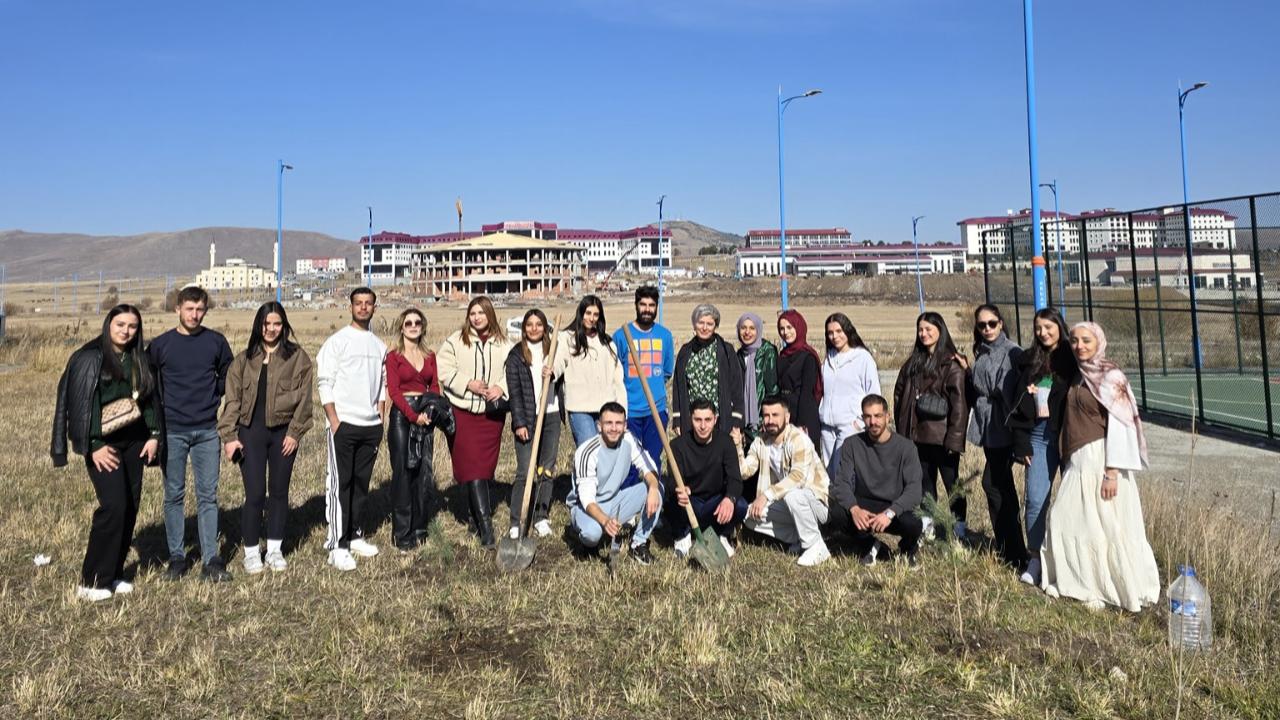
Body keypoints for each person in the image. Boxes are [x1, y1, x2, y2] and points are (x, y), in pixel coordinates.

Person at [1040, 322, 1159, 612]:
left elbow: (1121, 426)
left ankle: (1106, 587)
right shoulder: (1080, 376)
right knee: (1068, 520)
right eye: (1075, 340)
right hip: (1079, 462)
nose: (1080, 346)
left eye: (1086, 341)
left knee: (1105, 526)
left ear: (1099, 343)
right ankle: (1084, 583)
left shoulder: (1110, 375)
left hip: (1101, 462)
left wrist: (1112, 472)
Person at [51, 305, 163, 601]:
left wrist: (153, 435)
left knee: (130, 506)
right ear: (108, 325)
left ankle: (113, 574)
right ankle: (91, 581)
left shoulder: (139, 358)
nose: (126, 331)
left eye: (133, 326)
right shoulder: (90, 358)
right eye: (120, 325)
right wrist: (94, 445)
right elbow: (78, 407)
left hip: (135, 442)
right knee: (113, 506)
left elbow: (150, 400)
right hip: (104, 445)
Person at [218, 302, 314, 574]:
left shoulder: (298, 358)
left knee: (279, 493)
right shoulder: (243, 360)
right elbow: (232, 402)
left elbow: (305, 401)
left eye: (277, 324)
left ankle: (274, 550)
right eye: (266, 323)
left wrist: (295, 433)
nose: (271, 329)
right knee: (255, 493)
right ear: (258, 325)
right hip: (251, 433)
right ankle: (251, 553)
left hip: (283, 434)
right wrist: (229, 437)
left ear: (284, 326)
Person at [148, 286, 234, 582]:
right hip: (172, 432)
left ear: (205, 311)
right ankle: (177, 557)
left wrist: (214, 394)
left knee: (208, 496)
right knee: (173, 495)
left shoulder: (216, 342)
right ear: (177, 309)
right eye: (189, 309)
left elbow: (229, 375)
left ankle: (211, 558)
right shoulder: (160, 346)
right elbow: (148, 384)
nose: (195, 315)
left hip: (207, 430)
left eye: (200, 309)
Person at [317, 287, 388, 571]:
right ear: (350, 307)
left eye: (368, 304)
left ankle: (355, 534)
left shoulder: (379, 345)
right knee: (339, 484)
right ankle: (337, 544)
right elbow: (325, 382)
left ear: (374, 307)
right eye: (358, 303)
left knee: (361, 484)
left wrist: (380, 416)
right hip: (343, 425)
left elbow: (382, 384)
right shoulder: (337, 342)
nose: (363, 308)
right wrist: (334, 421)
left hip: (370, 426)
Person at [1006, 308, 1077, 586]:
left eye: (1048, 327)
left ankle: (1069, 559)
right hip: (1037, 436)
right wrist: (1020, 442)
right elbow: (1017, 404)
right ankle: (1035, 558)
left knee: (1073, 501)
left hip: (1069, 436)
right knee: (1035, 499)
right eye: (1038, 328)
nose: (1043, 333)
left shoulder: (1073, 359)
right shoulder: (1027, 361)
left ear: (1060, 326)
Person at [437, 295, 510, 548]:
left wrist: (500, 388)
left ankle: (472, 520)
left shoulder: (504, 344)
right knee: (473, 469)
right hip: (464, 412)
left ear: (490, 314)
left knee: (483, 470)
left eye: (481, 313)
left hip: (491, 416)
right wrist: (467, 383)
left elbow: (513, 372)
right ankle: (486, 528)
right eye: (472, 313)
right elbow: (443, 369)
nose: (476, 317)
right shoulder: (456, 341)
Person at [958, 304, 1025, 567]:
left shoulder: (1012, 352)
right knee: (999, 486)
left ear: (1001, 323)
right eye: (982, 325)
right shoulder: (982, 352)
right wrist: (968, 370)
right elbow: (978, 387)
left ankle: (1014, 550)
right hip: (989, 428)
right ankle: (1008, 548)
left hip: (1004, 428)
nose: (987, 329)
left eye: (991, 324)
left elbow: (1014, 391)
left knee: (996, 485)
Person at [893, 311, 968, 542]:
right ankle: (928, 524)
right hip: (917, 436)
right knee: (924, 483)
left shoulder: (951, 364)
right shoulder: (913, 363)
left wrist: (954, 439)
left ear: (940, 330)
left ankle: (959, 528)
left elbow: (960, 406)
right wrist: (903, 429)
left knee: (952, 484)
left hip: (942, 437)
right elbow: (898, 394)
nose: (924, 334)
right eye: (920, 330)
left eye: (929, 329)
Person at [732, 395, 832, 567]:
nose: (770, 421)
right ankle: (800, 538)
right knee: (749, 515)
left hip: (817, 503)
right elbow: (745, 472)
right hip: (788, 502)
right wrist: (738, 447)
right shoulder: (761, 442)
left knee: (793, 495)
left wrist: (765, 496)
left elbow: (798, 477)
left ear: (787, 417)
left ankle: (815, 545)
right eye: (766, 415)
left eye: (775, 415)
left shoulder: (798, 438)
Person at [827, 394, 924, 566]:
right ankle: (870, 544)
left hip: (894, 506)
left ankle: (907, 549)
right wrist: (854, 509)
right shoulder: (852, 444)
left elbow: (914, 489)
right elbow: (841, 483)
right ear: (863, 418)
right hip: (865, 506)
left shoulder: (906, 447)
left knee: (914, 523)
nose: (873, 422)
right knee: (837, 513)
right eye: (868, 416)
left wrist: (890, 513)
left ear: (888, 417)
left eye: (878, 416)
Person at [385, 308, 453, 552]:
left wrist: (430, 412)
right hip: (402, 417)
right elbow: (393, 391)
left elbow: (434, 385)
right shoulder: (394, 356)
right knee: (403, 473)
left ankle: (420, 528)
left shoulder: (430, 355)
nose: (413, 326)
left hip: (425, 414)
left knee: (423, 473)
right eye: (408, 323)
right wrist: (413, 416)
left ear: (422, 327)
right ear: (401, 327)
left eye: (417, 322)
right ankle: (402, 534)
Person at [566, 402, 662, 565]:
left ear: (625, 425)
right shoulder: (586, 452)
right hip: (586, 507)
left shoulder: (629, 440)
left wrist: (653, 487)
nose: (614, 428)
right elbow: (587, 499)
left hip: (614, 500)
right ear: (599, 426)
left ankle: (638, 543)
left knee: (657, 490)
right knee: (592, 533)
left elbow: (648, 467)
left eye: (618, 423)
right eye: (608, 423)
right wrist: (605, 521)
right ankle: (587, 542)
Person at [505, 308, 564, 539]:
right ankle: (516, 520)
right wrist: (519, 422)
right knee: (525, 470)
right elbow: (515, 393)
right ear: (524, 328)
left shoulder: (554, 351)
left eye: (538, 324)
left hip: (550, 415)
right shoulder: (516, 355)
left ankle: (540, 516)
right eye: (529, 325)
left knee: (546, 470)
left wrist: (554, 371)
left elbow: (563, 372)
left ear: (545, 327)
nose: (534, 329)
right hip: (528, 418)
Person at [668, 399, 747, 558]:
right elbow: (672, 480)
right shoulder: (677, 445)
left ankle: (721, 533)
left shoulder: (726, 442)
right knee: (670, 497)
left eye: (708, 420)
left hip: (714, 503)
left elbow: (735, 479)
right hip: (691, 503)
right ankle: (683, 534)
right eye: (698, 420)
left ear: (715, 420)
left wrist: (729, 498)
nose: (703, 426)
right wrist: (679, 489)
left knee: (740, 505)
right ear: (691, 419)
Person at [613, 286, 674, 488]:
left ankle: (652, 505)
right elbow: (615, 371)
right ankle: (628, 506)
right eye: (643, 304)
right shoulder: (621, 335)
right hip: (629, 410)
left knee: (652, 459)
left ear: (656, 307)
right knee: (628, 462)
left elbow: (666, 371)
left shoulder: (664, 335)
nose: (647, 309)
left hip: (655, 410)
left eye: (651, 305)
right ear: (636, 305)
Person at [554, 295, 625, 446]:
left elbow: (617, 379)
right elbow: (559, 362)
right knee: (589, 451)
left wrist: (623, 409)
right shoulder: (568, 338)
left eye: (596, 314)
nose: (592, 318)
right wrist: (551, 371)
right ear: (581, 313)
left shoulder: (607, 343)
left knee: (605, 453)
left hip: (606, 407)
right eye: (588, 313)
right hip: (580, 407)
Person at [818, 312, 880, 480]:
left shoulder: (862, 358)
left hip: (849, 425)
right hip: (827, 427)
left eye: (839, 331)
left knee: (844, 472)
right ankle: (834, 506)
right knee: (829, 475)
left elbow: (873, 393)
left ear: (847, 330)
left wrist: (862, 422)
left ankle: (848, 506)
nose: (834, 336)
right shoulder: (828, 359)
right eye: (830, 332)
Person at [671, 303, 744, 436]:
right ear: (694, 324)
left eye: (709, 324)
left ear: (715, 326)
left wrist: (736, 420)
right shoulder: (685, 351)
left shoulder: (726, 350)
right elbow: (678, 387)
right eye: (701, 323)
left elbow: (736, 387)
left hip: (720, 420)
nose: (704, 328)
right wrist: (677, 419)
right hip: (693, 420)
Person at [776, 310, 822, 449]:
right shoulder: (782, 356)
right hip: (786, 413)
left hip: (804, 414)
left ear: (799, 327)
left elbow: (807, 393)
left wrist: (802, 423)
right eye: (782, 328)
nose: (785, 332)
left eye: (790, 327)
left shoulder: (808, 357)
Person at [735, 312, 779, 450]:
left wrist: (766, 419)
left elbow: (772, 390)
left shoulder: (767, 352)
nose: (747, 332)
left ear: (759, 330)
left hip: (762, 424)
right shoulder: (739, 355)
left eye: (752, 328)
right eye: (743, 328)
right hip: (745, 424)